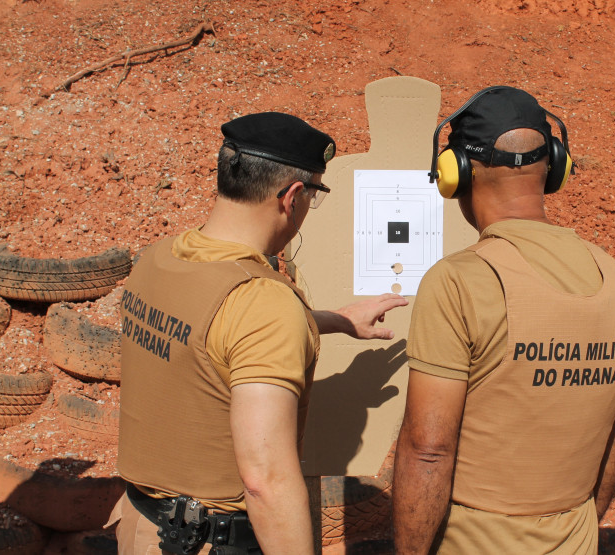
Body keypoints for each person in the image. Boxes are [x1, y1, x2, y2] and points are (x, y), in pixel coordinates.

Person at [110, 112, 407, 555]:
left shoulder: (159, 260)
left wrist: (335, 320)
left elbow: (208, 338)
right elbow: (265, 479)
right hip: (210, 541)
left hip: (140, 525)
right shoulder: (263, 305)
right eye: (315, 195)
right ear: (292, 196)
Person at [392, 86, 615, 554]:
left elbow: (428, 450)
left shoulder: (458, 281)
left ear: (457, 172)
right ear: (554, 166)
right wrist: (579, 525)